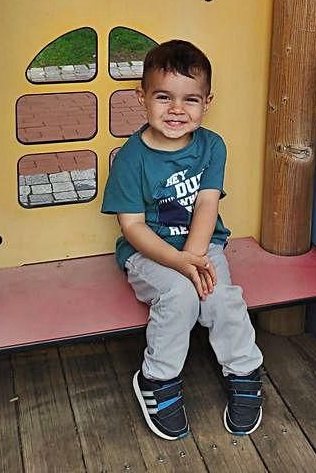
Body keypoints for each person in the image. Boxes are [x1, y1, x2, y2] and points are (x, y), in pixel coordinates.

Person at [102, 40, 264, 440]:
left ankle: (244, 368)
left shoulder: (212, 146)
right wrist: (179, 264)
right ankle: (156, 378)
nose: (177, 109)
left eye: (190, 99)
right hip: (149, 251)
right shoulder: (130, 158)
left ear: (207, 101)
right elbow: (133, 228)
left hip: (202, 244)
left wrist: (194, 258)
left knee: (222, 297)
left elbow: (207, 204)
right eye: (163, 97)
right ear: (142, 98)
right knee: (179, 295)